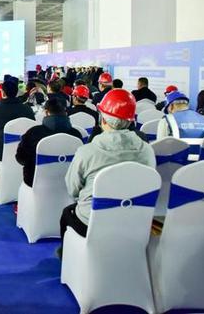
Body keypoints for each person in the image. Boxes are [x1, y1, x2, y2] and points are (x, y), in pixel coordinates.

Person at [60, 89, 156, 251]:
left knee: (67, 213)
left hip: (92, 221)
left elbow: (73, 188)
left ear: (103, 119)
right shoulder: (147, 151)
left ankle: (68, 255)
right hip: (135, 219)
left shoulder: (87, 151)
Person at [16, 99, 83, 187]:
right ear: (65, 112)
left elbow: (21, 158)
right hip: (70, 184)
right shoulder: (76, 134)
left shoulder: (33, 133)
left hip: (37, 184)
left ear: (46, 112)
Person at [0, 80, 35, 162]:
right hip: (25, 154)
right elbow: (33, 131)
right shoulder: (28, 109)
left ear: (3, 93)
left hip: (1, 154)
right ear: (16, 93)